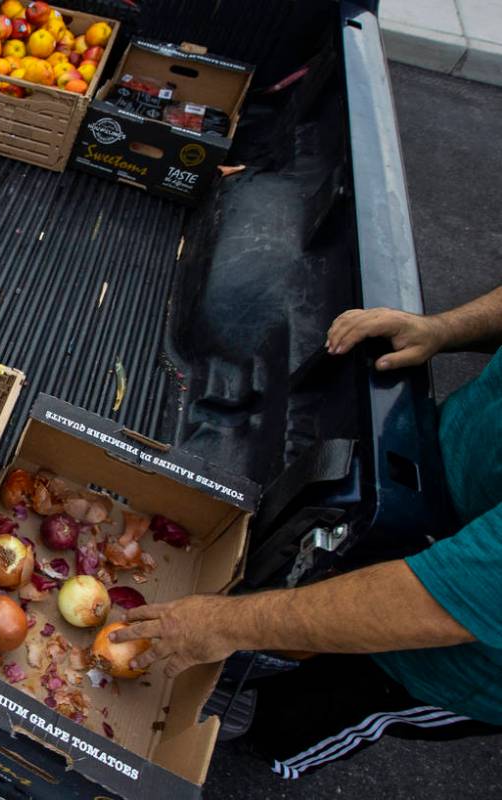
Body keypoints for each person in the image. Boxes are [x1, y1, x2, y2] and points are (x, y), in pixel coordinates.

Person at [114, 286, 502, 779]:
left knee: (304, 714)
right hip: (419, 482)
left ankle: (263, 750)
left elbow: (444, 599)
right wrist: (444, 328)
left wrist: (224, 624)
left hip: (448, 652)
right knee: (284, 613)